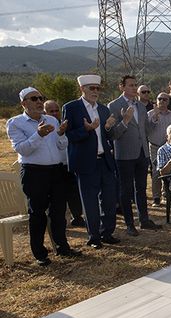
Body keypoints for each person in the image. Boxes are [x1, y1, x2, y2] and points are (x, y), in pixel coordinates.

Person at [7, 87, 81, 266]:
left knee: (58, 212)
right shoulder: (15, 123)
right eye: (34, 99)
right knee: (38, 213)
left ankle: (62, 247)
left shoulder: (50, 119)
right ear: (24, 103)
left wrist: (62, 134)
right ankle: (40, 254)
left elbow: (61, 146)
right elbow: (22, 149)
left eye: (41, 98)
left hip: (55, 171)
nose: (39, 102)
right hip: (34, 172)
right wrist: (38, 135)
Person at [63, 74, 119, 249]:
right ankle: (94, 237)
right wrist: (86, 130)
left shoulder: (103, 109)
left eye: (98, 88)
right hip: (86, 163)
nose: (95, 91)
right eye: (91, 88)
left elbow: (108, 136)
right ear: (82, 89)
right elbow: (69, 135)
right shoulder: (71, 108)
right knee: (90, 202)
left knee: (110, 200)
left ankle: (107, 232)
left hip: (105, 161)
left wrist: (109, 127)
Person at [108, 75, 162, 237]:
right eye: (130, 85)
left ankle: (144, 220)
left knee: (141, 188)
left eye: (135, 85)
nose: (133, 87)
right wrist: (125, 121)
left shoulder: (140, 105)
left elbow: (145, 130)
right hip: (124, 154)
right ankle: (129, 224)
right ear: (122, 87)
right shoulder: (114, 106)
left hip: (141, 152)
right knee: (126, 190)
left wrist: (154, 121)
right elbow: (112, 134)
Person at [44, 99, 85, 227]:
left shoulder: (66, 123)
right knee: (57, 196)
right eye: (51, 111)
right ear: (45, 112)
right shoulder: (44, 127)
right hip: (53, 165)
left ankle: (77, 217)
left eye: (57, 111)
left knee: (74, 193)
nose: (55, 113)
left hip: (68, 163)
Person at [147, 92, 171, 207]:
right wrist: (155, 117)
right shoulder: (149, 114)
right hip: (154, 147)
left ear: (168, 102)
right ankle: (156, 197)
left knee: (169, 170)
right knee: (156, 172)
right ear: (156, 100)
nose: (162, 101)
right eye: (160, 99)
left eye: (165, 99)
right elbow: (147, 130)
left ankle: (166, 195)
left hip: (168, 147)